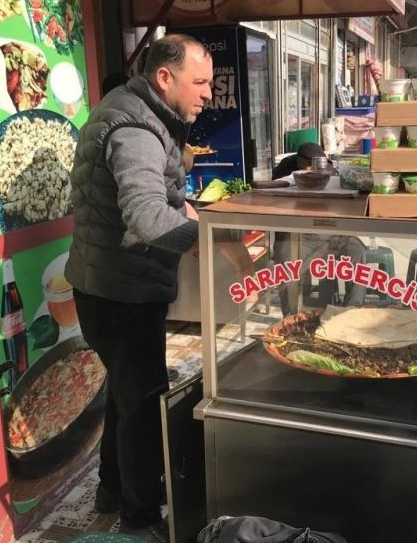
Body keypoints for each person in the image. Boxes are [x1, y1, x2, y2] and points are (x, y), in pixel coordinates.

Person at [64, 34, 251, 543]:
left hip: (108, 285)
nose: (209, 93)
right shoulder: (134, 126)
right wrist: (209, 242)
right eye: (201, 82)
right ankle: (141, 516)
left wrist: (206, 223)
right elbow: (147, 217)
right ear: (164, 77)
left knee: (125, 394)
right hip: (120, 292)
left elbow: (164, 195)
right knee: (145, 402)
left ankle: (111, 490)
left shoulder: (139, 113)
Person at [271, 144, 366, 315]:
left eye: (318, 165)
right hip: (297, 234)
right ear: (299, 162)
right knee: (285, 258)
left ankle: (353, 310)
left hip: (331, 232)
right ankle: (291, 316)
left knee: (357, 249)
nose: (315, 170)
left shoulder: (331, 173)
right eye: (310, 165)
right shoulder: (285, 172)